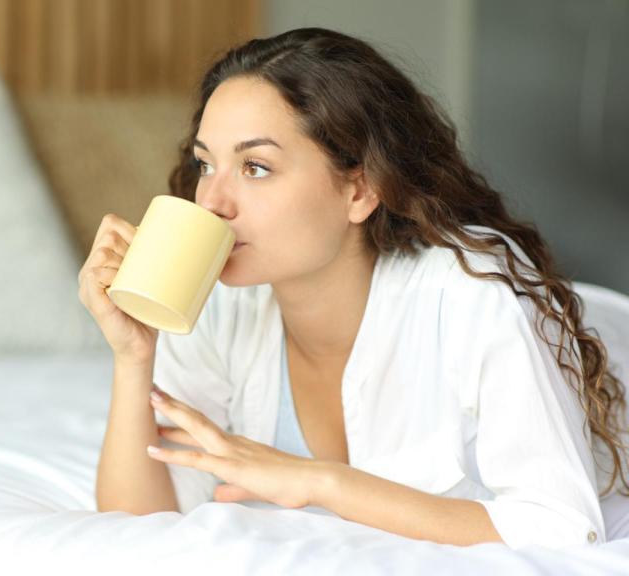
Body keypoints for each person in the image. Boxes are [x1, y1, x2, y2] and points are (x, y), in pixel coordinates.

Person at [79, 27, 626, 549]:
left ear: (361, 191)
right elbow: (136, 527)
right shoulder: (221, 301)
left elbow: (563, 528)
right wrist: (134, 357)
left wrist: (322, 483)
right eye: (206, 164)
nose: (213, 203)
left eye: (256, 167)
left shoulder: (475, 292)